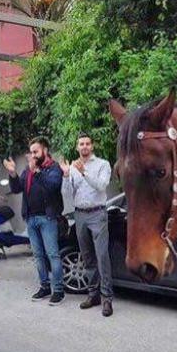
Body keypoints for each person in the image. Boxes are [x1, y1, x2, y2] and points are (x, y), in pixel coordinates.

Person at [4, 137, 65, 306]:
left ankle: (58, 290)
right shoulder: (28, 169)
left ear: (45, 151)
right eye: (31, 152)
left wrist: (37, 171)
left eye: (36, 151)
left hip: (48, 218)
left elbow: (53, 186)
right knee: (38, 255)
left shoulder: (53, 168)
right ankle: (44, 286)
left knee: (52, 254)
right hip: (31, 218)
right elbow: (17, 188)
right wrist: (13, 174)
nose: (32, 155)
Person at [60, 132, 114, 317]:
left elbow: (101, 186)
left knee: (102, 256)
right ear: (77, 147)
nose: (84, 146)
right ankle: (93, 295)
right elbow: (67, 193)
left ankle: (107, 298)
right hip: (80, 214)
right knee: (87, 257)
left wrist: (84, 171)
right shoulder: (73, 167)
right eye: (81, 144)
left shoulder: (102, 164)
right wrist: (67, 176)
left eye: (87, 143)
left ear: (92, 146)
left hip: (97, 213)